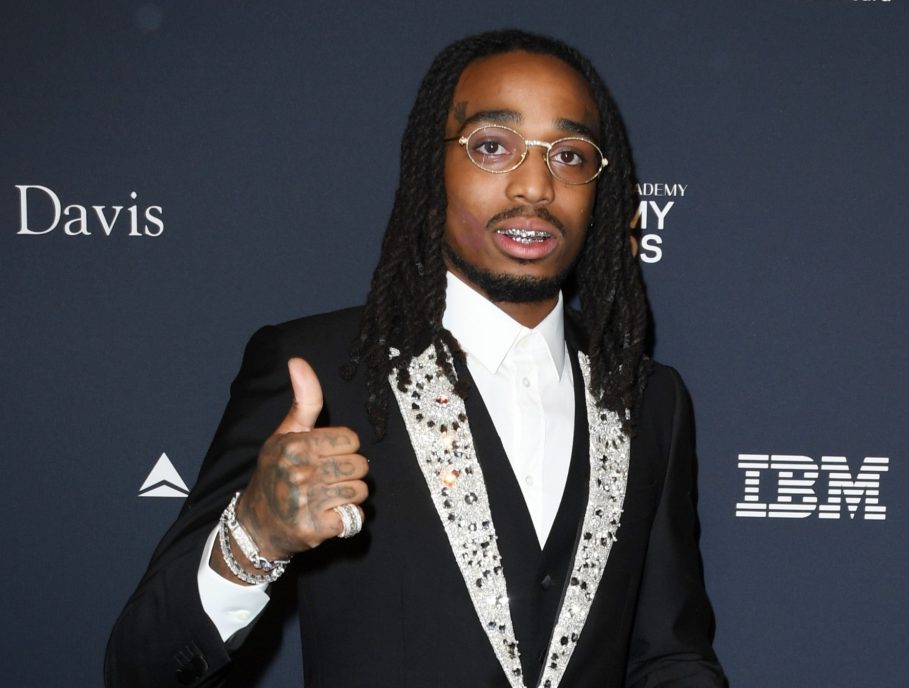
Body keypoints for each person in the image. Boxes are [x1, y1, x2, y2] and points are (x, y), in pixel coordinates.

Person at [105, 29, 726, 688]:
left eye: (569, 155)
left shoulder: (647, 400)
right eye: (493, 146)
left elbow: (670, 656)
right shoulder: (322, 372)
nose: (535, 186)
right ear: (434, 169)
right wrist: (253, 539)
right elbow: (141, 667)